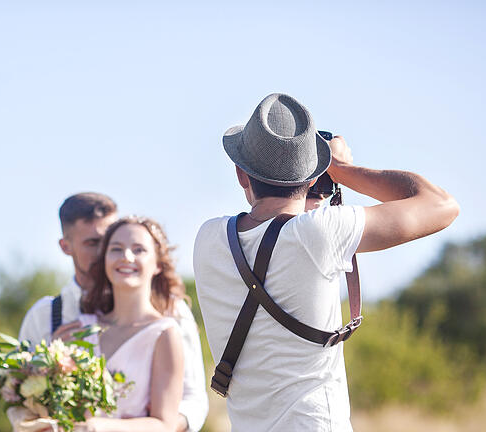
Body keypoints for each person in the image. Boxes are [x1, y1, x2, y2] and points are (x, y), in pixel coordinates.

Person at [193, 93, 459, 431]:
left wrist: (316, 183)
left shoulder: (209, 238)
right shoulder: (319, 233)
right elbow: (442, 205)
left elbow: (272, 233)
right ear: (312, 176)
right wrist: (342, 170)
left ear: (241, 175)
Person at [17, 193, 208, 432]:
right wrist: (48, 362)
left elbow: (192, 400)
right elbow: (18, 399)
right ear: (66, 246)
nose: (121, 255)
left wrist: (144, 425)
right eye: (96, 243)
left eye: (136, 248)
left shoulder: (172, 316)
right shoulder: (49, 315)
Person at [75, 216, 186, 431]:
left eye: (139, 250)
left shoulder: (165, 334)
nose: (126, 257)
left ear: (158, 265)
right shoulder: (82, 328)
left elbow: (164, 424)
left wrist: (98, 427)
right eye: (116, 249)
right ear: (105, 259)